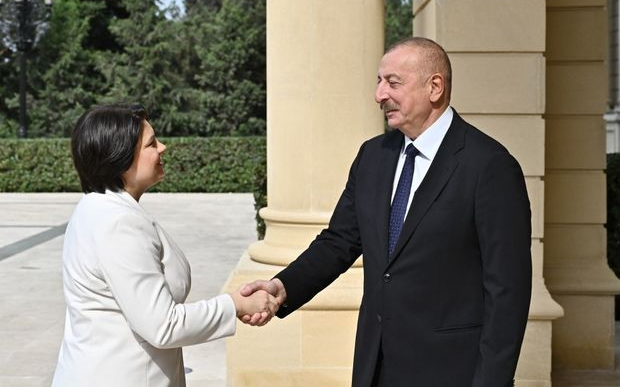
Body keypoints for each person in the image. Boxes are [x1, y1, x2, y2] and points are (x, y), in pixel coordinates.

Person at [241, 37, 532, 386]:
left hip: (453, 371)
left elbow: (508, 292)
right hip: (375, 367)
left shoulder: (490, 166)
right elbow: (339, 242)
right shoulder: (372, 156)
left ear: (435, 87)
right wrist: (282, 287)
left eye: (393, 83)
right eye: (379, 82)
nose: (380, 94)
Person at [52, 103, 278, 387]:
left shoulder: (100, 208)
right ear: (120, 159)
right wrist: (234, 305)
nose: (163, 147)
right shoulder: (118, 223)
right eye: (150, 144)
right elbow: (162, 325)